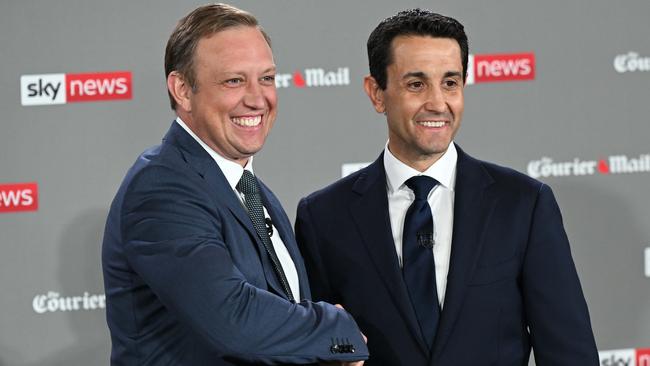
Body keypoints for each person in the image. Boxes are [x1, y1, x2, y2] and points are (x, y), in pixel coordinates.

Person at [295, 9, 599, 366]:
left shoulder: (523, 205)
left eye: (450, 83)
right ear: (377, 93)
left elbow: (570, 353)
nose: (438, 103)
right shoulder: (324, 217)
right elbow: (313, 350)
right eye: (416, 84)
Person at [101, 4, 368, 365]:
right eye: (234, 81)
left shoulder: (252, 190)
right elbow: (234, 320)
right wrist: (338, 329)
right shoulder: (161, 188)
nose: (258, 99)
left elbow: (278, 325)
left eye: (267, 78)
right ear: (182, 89)